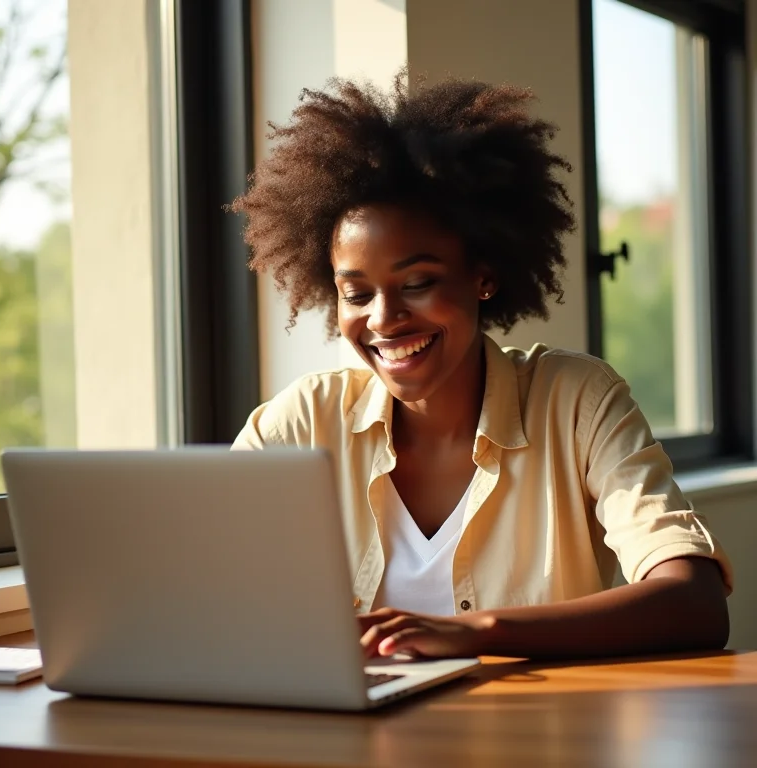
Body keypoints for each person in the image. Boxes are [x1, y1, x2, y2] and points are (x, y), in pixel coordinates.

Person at [230, 73, 731, 661]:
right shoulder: (298, 425)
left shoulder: (577, 403)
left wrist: (482, 631)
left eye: (418, 283)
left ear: (484, 276)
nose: (385, 318)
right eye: (357, 294)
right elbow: (197, 588)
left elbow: (694, 602)